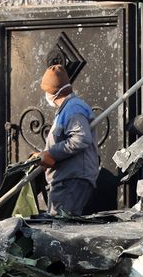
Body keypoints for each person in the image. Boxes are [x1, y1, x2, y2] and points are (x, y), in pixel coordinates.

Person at [35, 64, 99, 216]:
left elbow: (81, 139)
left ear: (53, 92)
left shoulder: (73, 108)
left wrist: (51, 153)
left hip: (72, 180)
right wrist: (45, 155)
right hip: (68, 179)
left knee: (61, 230)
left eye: (46, 91)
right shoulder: (67, 109)